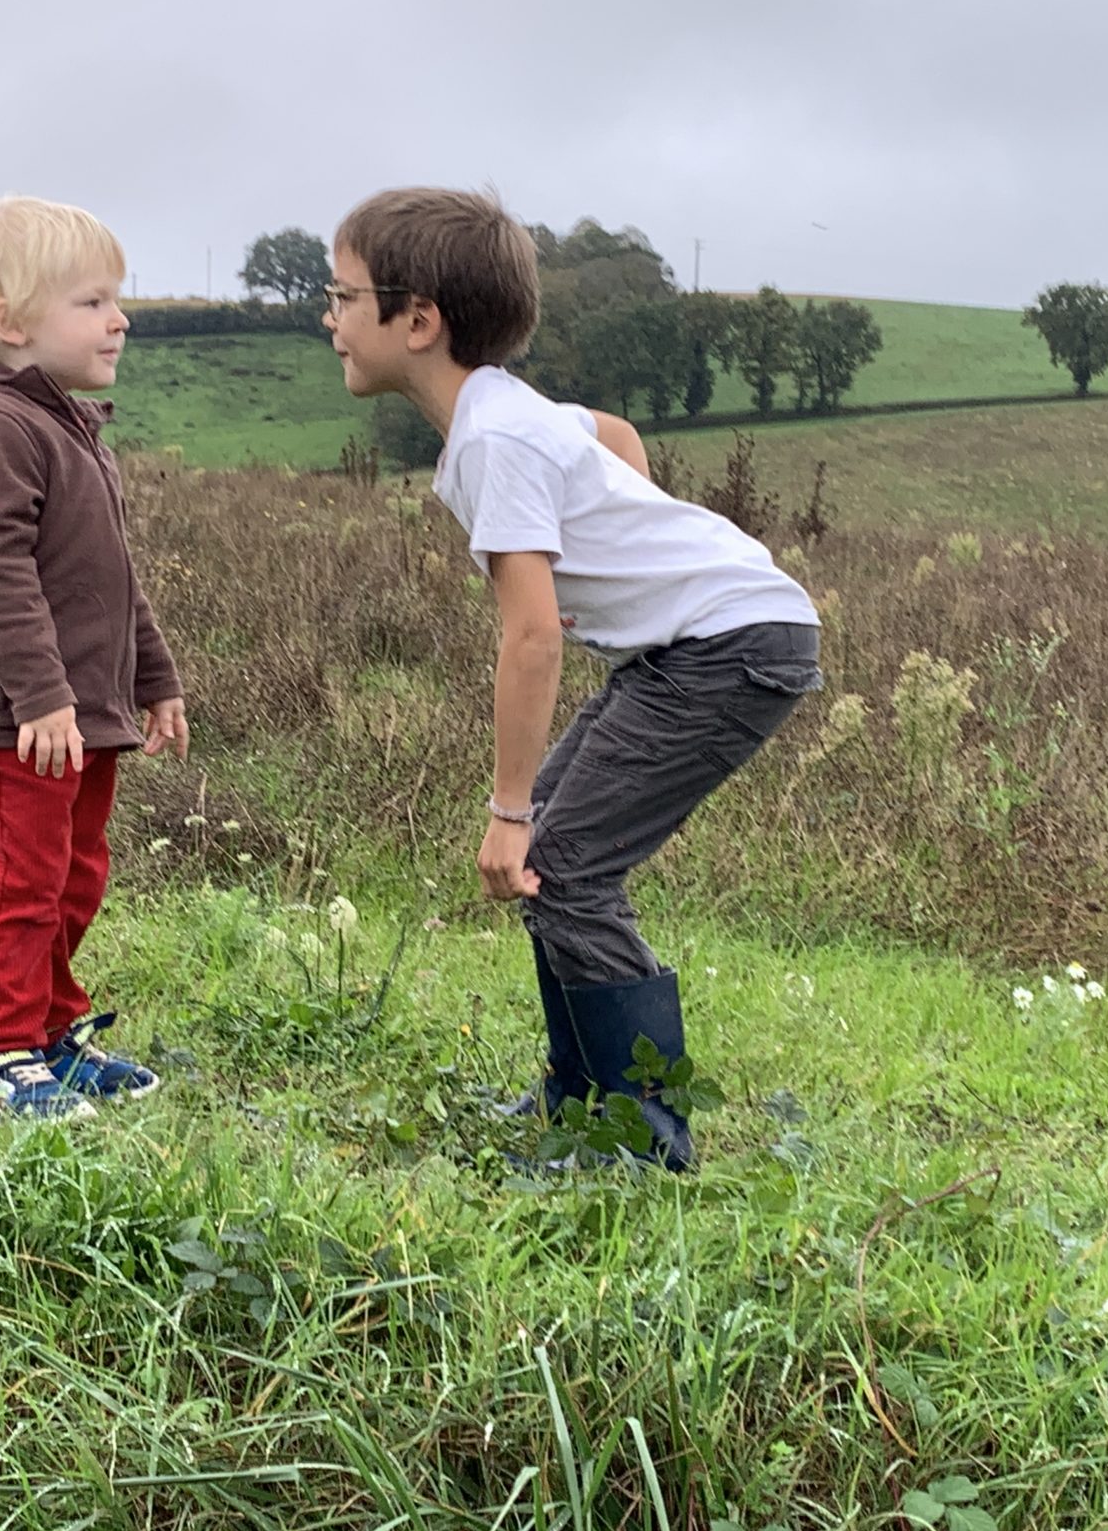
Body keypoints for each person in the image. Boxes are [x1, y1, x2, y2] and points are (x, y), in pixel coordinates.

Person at [324, 187, 821, 1169]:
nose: (329, 320)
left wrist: (508, 811)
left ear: (417, 320)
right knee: (559, 866)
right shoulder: (505, 415)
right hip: (710, 639)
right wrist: (643, 541)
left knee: (562, 864)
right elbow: (614, 434)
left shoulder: (497, 438)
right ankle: (582, 1101)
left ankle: (639, 1140)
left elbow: (533, 638)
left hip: (728, 645)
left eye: (342, 297)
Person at [0, 195, 188, 1119]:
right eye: (93, 301)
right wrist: (40, 696)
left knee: (73, 879)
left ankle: (48, 1033)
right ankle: (1, 1052)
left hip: (76, 719)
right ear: (10, 321)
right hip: (10, 724)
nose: (120, 319)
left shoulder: (74, 430)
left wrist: (153, 678)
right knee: (15, 886)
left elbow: (111, 577)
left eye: (117, 299)